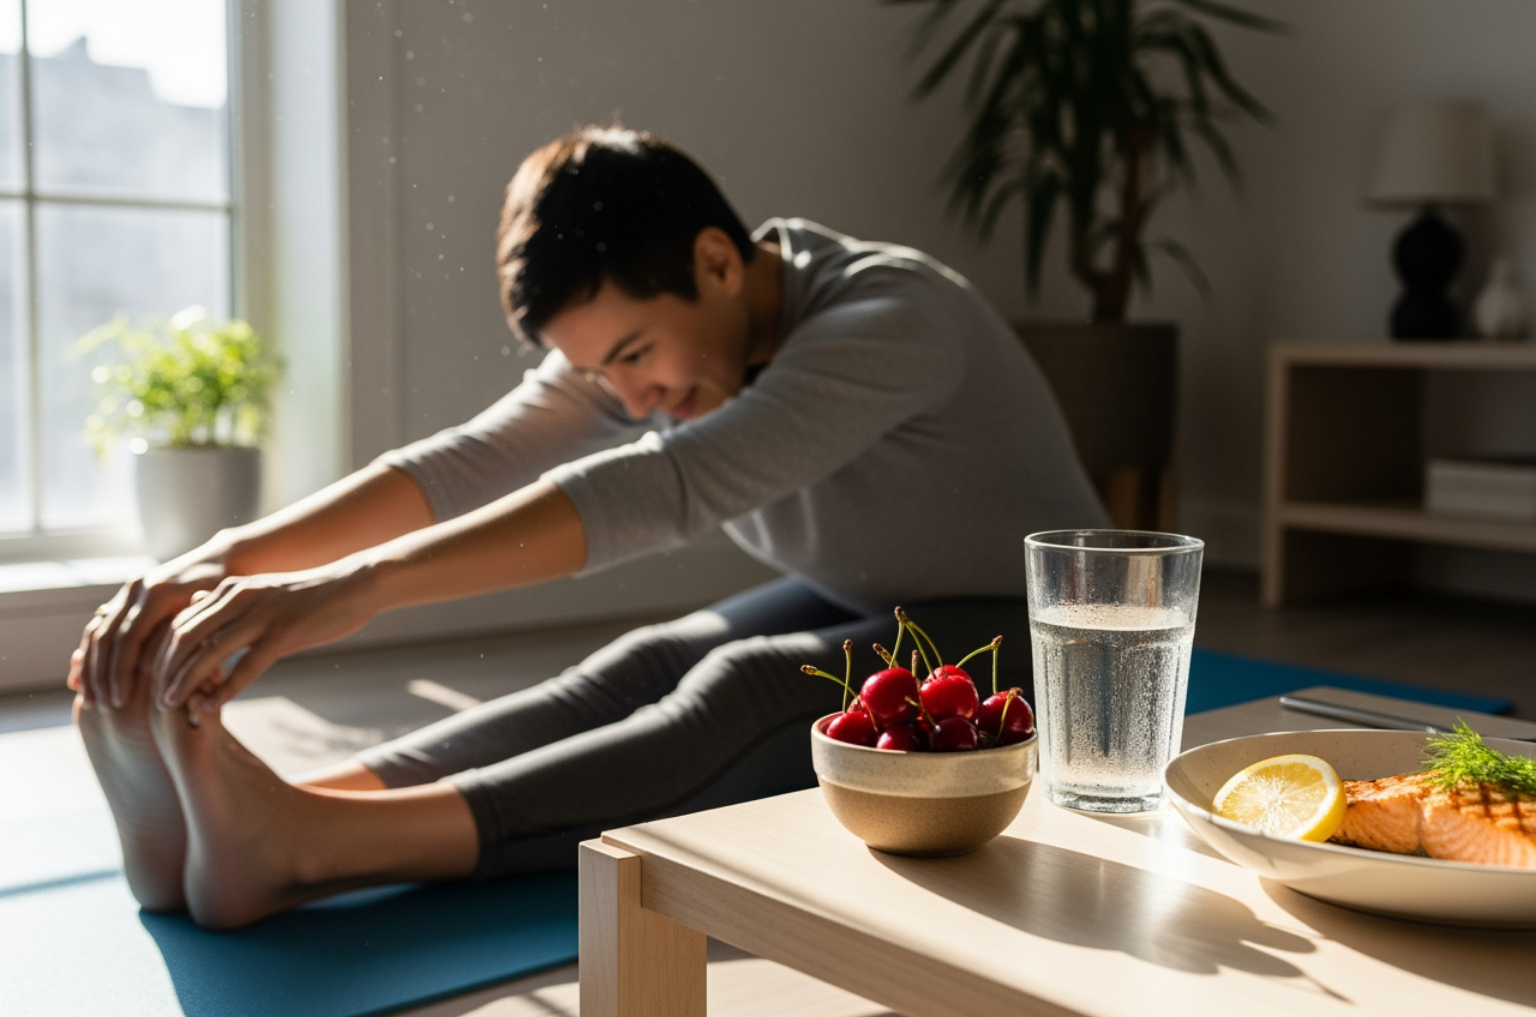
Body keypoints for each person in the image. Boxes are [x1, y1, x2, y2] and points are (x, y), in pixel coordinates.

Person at [69, 125, 1108, 929]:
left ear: (715, 261)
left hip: (1059, 644)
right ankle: (286, 803)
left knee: (746, 691)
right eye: (603, 371)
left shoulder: (890, 320)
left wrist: (348, 593)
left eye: (635, 354)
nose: (634, 394)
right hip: (875, 598)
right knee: (648, 658)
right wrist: (218, 562)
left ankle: (309, 845)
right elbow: (469, 458)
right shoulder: (677, 337)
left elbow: (662, 489)